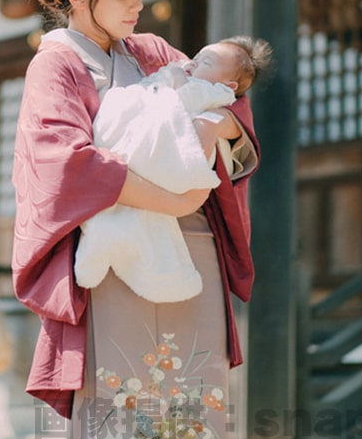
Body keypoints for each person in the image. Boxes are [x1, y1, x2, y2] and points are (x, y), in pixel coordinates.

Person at [11, 0, 267, 439]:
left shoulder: (153, 54)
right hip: (115, 258)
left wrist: (211, 126)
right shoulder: (54, 67)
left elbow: (231, 106)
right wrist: (173, 199)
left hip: (192, 251)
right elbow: (65, 164)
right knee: (125, 417)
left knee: (195, 412)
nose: (138, 4)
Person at [74, 41, 269, 304]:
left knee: (136, 220)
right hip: (124, 164)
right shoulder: (66, 52)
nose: (194, 63)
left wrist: (178, 90)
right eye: (197, 57)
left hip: (166, 165)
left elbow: (219, 111)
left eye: (206, 63)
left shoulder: (200, 83)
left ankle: (113, 248)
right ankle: (101, 242)